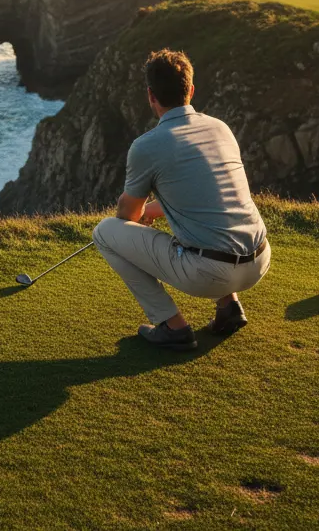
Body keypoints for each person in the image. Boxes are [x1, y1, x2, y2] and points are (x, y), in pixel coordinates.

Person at [92, 49, 270, 351]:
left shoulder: (146, 146)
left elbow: (127, 215)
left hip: (208, 274)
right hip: (259, 261)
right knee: (212, 225)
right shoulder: (220, 128)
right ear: (191, 90)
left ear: (151, 95)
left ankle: (172, 326)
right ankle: (229, 307)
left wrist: (139, 213)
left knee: (104, 232)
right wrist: (154, 210)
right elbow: (205, 196)